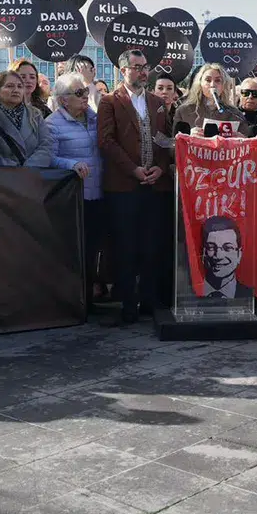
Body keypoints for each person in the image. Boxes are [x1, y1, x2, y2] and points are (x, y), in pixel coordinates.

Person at [98, 49, 173, 325]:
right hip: (123, 186)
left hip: (154, 185)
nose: (143, 72)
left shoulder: (157, 102)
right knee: (125, 245)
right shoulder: (109, 101)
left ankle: (150, 301)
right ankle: (128, 304)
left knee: (152, 244)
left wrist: (160, 167)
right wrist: (133, 169)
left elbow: (166, 140)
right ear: (123, 70)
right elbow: (106, 142)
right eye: (137, 67)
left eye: (145, 67)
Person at [48, 72, 105, 312]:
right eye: (79, 92)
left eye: (86, 91)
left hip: (98, 194)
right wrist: (70, 164)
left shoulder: (96, 119)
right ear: (63, 100)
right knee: (73, 253)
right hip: (74, 198)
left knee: (93, 250)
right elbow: (49, 158)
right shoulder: (52, 124)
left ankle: (89, 301)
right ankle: (71, 303)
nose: (85, 96)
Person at [0, 69, 53, 168]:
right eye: (10, 86)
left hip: (33, 173)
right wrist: (14, 168)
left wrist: (29, 167)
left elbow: (46, 145)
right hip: (3, 174)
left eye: (20, 86)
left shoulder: (35, 115)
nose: (16, 90)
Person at [173, 63, 250, 136]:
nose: (212, 85)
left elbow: (247, 140)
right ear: (200, 84)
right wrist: (188, 135)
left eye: (217, 80)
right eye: (208, 80)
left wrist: (241, 138)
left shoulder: (235, 114)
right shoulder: (184, 111)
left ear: (224, 85)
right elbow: (174, 140)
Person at [201, 216, 252, 299]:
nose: (219, 256)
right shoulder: (188, 293)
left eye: (228, 248)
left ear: (239, 254)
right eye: (211, 247)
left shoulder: (251, 295)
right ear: (203, 253)